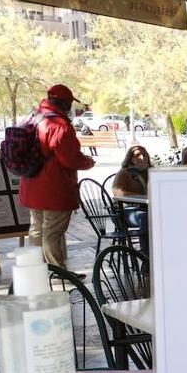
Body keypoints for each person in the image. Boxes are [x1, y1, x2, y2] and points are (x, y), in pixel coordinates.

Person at [18, 85, 95, 269]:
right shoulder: (59, 125)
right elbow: (70, 159)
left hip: (31, 185)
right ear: (65, 102)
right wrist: (89, 162)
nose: (70, 107)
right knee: (52, 232)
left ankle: (37, 272)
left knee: (37, 229)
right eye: (69, 103)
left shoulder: (32, 117)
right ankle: (59, 274)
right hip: (53, 189)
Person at [113, 145, 152, 256]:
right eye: (138, 155)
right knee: (146, 218)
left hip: (148, 208)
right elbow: (118, 192)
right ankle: (146, 260)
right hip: (123, 211)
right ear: (130, 158)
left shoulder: (151, 172)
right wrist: (142, 197)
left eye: (144, 155)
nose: (142, 157)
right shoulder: (124, 173)